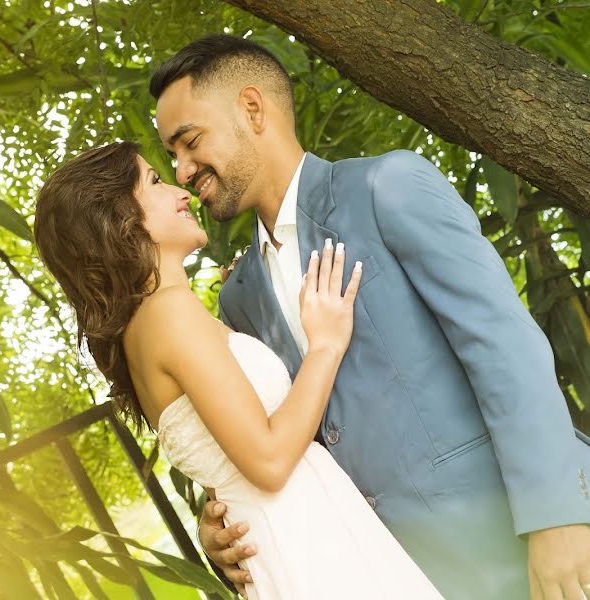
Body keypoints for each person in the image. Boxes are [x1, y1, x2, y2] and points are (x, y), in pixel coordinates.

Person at [148, 34, 590, 600]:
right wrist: (226, 525)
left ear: (252, 109)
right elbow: (285, 442)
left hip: (533, 546)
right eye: (171, 158)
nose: (183, 171)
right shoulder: (238, 298)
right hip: (394, 576)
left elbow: (504, 346)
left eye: (189, 143)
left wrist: (557, 516)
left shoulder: (387, 187)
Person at [33, 141, 443, 598]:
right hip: (309, 543)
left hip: (291, 538)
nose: (180, 192)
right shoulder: (169, 315)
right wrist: (325, 345)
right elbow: (268, 460)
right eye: (154, 181)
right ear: (118, 220)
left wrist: (211, 521)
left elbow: (225, 458)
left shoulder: (146, 329)